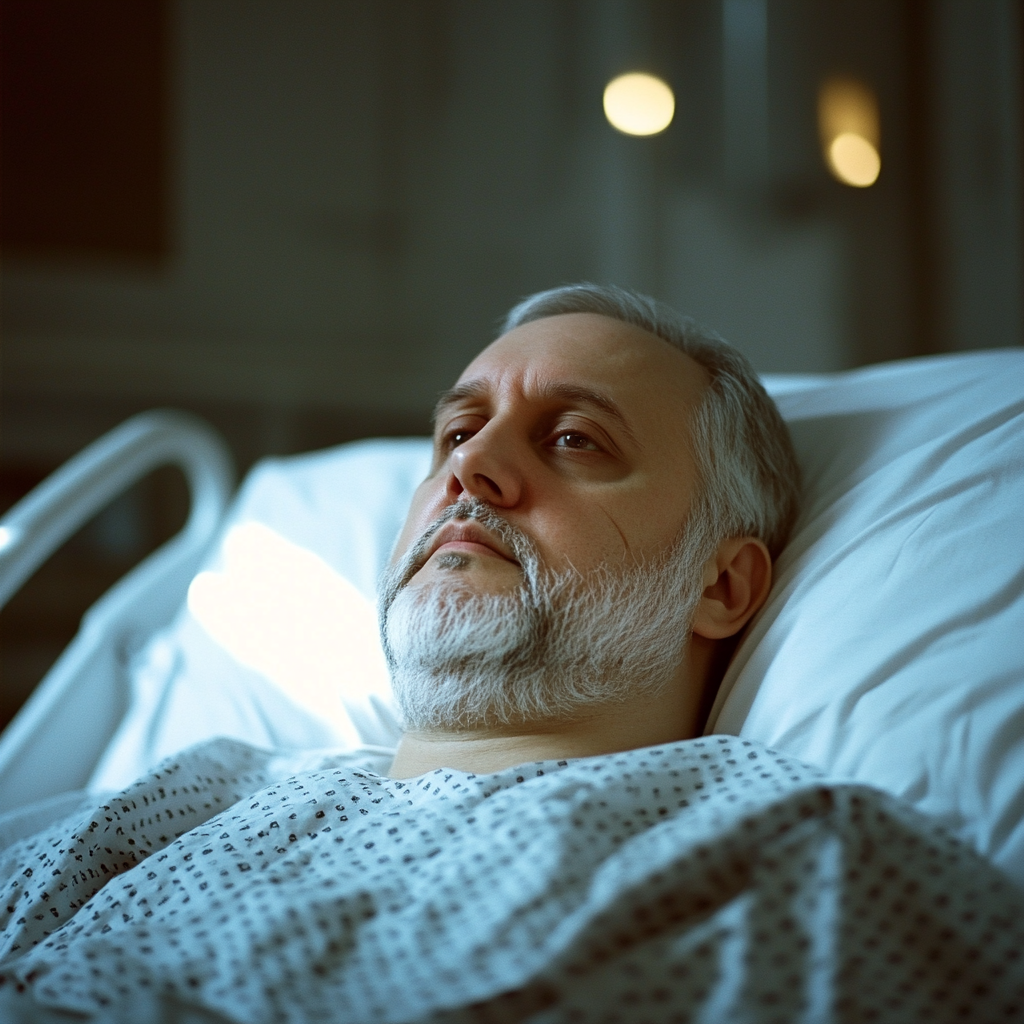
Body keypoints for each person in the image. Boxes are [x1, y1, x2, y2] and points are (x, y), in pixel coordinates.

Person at [378, 282, 800, 778]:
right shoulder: (262, 787)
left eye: (575, 439)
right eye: (459, 433)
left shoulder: (796, 839)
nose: (469, 460)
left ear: (721, 586)